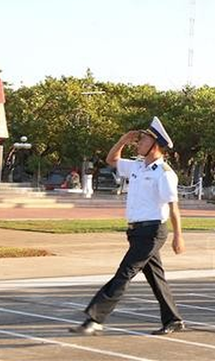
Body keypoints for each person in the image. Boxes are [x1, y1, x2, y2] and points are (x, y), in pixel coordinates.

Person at [70, 117, 185, 336]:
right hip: (136, 231)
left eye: (143, 141)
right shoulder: (137, 166)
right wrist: (123, 140)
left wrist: (178, 236)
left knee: (124, 273)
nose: (138, 143)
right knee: (156, 277)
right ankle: (173, 318)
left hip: (152, 232)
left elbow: (173, 207)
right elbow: (112, 159)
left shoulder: (165, 173)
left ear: (155, 146)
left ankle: (95, 318)